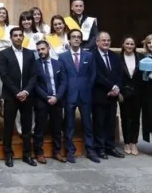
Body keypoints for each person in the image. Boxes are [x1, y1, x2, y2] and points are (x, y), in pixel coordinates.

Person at [0, 28, 37, 167]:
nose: (18, 37)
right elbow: (4, 76)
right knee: (8, 127)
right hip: (11, 96)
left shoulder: (30, 54)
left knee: (27, 127)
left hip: (27, 96)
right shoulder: (4, 54)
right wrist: (17, 92)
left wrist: (26, 91)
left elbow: (34, 75)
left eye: (20, 35)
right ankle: (8, 154)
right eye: (15, 35)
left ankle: (27, 154)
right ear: (11, 38)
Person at [58, 29, 98, 163]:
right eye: (73, 37)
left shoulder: (89, 56)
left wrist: (87, 87)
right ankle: (70, 151)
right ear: (69, 40)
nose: (76, 39)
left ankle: (90, 149)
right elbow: (62, 77)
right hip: (70, 94)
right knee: (69, 124)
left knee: (87, 123)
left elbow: (93, 74)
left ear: (81, 40)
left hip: (85, 94)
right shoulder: (63, 57)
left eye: (78, 37)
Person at [92, 32, 125, 159]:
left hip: (113, 96)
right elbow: (97, 75)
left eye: (108, 40)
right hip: (99, 95)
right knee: (99, 123)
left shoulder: (114, 56)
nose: (106, 42)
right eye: (103, 40)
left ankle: (110, 147)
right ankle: (100, 148)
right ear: (97, 42)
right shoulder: (92, 56)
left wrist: (117, 87)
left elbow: (120, 74)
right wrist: (112, 87)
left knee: (111, 123)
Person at [33, 40, 67, 163]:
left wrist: (57, 97)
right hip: (42, 100)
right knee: (40, 128)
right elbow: (35, 84)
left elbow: (63, 82)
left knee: (57, 127)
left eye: (43, 49)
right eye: (38, 50)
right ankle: (39, 152)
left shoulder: (58, 64)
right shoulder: (34, 65)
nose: (41, 52)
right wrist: (47, 97)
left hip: (57, 100)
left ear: (48, 48)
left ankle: (57, 152)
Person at [119, 36, 144, 156]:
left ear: (135, 46)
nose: (129, 46)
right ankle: (126, 142)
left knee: (135, 118)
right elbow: (116, 76)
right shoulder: (118, 58)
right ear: (123, 45)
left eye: (132, 44)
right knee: (125, 118)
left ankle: (134, 142)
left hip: (137, 92)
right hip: (124, 92)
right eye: (127, 44)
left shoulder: (141, 57)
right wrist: (119, 92)